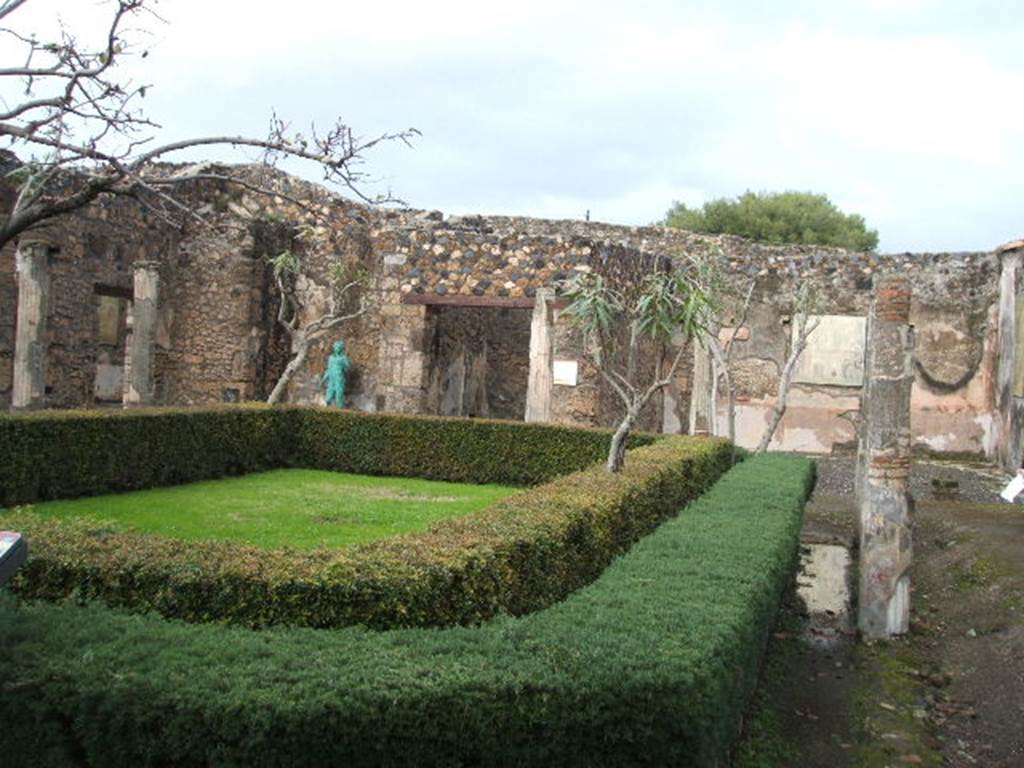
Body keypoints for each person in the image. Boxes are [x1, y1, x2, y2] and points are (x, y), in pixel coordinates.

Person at [322, 340, 350, 408]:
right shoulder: (331, 358)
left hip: (339, 378)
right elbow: (328, 369)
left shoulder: (343, 358)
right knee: (329, 394)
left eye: (337, 347)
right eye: (335, 347)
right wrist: (324, 378)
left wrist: (343, 366)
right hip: (332, 378)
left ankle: (339, 409)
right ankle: (327, 408)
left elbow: (348, 368)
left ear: (341, 348)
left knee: (339, 393)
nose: (336, 348)